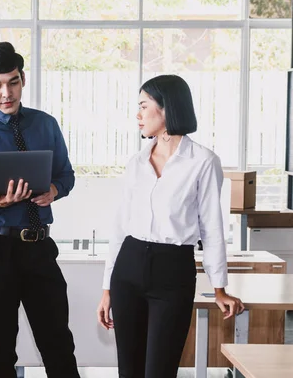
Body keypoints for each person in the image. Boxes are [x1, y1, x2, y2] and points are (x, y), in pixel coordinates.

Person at [96, 74, 245, 378]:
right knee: (130, 371)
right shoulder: (136, 162)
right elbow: (120, 226)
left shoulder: (203, 161)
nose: (138, 115)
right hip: (129, 266)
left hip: (172, 270)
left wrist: (220, 289)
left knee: (160, 371)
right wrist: (107, 288)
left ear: (166, 110)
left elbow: (212, 228)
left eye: (144, 106)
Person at [0, 42, 80, 378]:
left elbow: (66, 176)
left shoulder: (46, 125)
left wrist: (54, 190)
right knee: (0, 344)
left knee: (57, 339)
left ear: (23, 79)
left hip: (40, 246)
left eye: (12, 82)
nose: (6, 93)